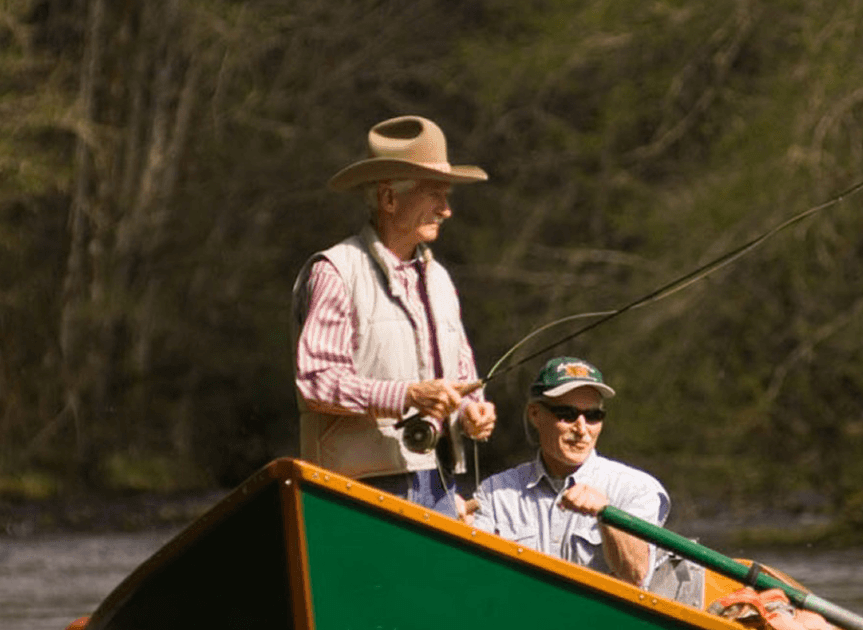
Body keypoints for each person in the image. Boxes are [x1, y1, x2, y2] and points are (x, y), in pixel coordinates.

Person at [292, 115, 497, 515]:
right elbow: (317, 381)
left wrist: (472, 412)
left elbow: (461, 379)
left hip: (438, 484)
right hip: (354, 490)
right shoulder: (335, 271)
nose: (447, 210)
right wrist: (406, 396)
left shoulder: (440, 279)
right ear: (389, 199)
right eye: (435, 195)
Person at [476, 357, 697, 604]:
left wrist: (607, 515)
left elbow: (635, 575)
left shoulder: (638, 488)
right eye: (567, 414)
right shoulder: (493, 492)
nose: (582, 429)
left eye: (593, 415)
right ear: (535, 415)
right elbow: (474, 576)